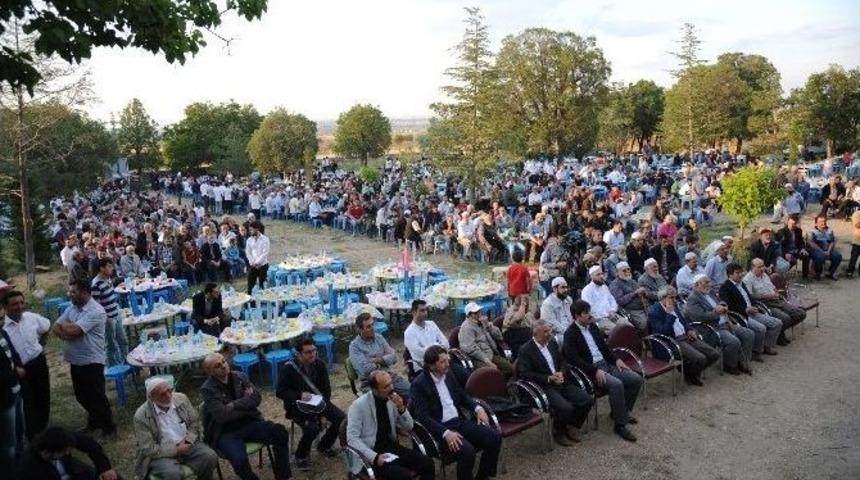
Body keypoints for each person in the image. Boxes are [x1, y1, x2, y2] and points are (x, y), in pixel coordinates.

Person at [409, 346, 502, 480]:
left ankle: (483, 476)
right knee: (467, 452)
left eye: (447, 360)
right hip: (440, 429)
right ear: (431, 366)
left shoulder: (448, 374)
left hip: (458, 422)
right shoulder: (419, 384)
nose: (448, 364)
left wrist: (478, 409)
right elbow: (423, 417)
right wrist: (445, 433)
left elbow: (462, 396)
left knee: (494, 437)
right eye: (442, 362)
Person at [201, 352, 292, 480]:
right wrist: (246, 404)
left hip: (250, 423)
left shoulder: (240, 376)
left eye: (223, 361)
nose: (223, 365)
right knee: (239, 460)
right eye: (217, 365)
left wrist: (233, 405)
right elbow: (222, 415)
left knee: (280, 432)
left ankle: (283, 476)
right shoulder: (207, 389)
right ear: (209, 371)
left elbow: (257, 398)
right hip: (226, 432)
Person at [563, 300, 641, 442]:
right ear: (577, 316)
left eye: (589, 312)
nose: (590, 315)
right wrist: (594, 370)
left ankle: (621, 412)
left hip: (607, 364)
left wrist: (616, 359)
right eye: (586, 313)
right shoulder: (570, 334)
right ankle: (620, 425)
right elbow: (574, 359)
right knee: (616, 384)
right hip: (590, 371)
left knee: (635, 379)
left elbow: (605, 348)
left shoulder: (592, 327)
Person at [51, 279, 116, 436]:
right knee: (81, 395)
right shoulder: (72, 307)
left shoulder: (96, 310)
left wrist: (68, 328)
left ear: (85, 292)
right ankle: (93, 422)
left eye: (74, 291)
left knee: (97, 397)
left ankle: (109, 428)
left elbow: (74, 330)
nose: (70, 294)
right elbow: (55, 327)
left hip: (91, 360)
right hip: (76, 359)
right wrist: (67, 331)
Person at [345, 370, 434, 480]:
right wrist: (374, 457)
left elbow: (409, 427)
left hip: (389, 446)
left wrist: (402, 409)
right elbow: (351, 438)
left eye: (391, 383)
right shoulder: (359, 406)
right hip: (369, 453)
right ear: (375, 390)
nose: (391, 388)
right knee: (403, 476)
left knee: (428, 463)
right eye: (386, 386)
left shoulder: (392, 399)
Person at [516, 321, 593, 446]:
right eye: (545, 332)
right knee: (566, 408)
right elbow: (525, 374)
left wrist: (561, 373)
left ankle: (571, 425)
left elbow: (562, 361)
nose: (549, 334)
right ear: (535, 334)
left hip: (560, 381)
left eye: (549, 331)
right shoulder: (526, 350)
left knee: (587, 399)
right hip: (544, 386)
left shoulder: (552, 343)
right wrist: (549, 378)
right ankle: (559, 432)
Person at [276, 338, 344, 469]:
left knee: (342, 419)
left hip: (320, 403)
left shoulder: (320, 364)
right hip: (297, 407)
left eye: (314, 350)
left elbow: (326, 390)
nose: (312, 354)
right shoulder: (289, 369)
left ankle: (324, 445)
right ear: (299, 354)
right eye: (307, 352)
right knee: (312, 428)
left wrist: (323, 413)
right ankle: (300, 455)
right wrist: (299, 395)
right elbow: (280, 392)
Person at [134, 377, 218, 480]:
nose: (169, 396)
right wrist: (176, 450)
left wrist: (188, 441)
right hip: (161, 454)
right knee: (172, 474)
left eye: (169, 390)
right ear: (152, 398)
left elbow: (194, 422)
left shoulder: (181, 398)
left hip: (187, 444)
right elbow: (148, 448)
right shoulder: (141, 416)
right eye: (162, 394)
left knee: (210, 456)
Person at [647, 286, 719, 386]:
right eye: (671, 297)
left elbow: (683, 321)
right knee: (700, 358)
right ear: (663, 298)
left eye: (675, 297)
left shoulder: (674, 305)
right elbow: (662, 332)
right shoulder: (654, 311)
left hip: (685, 336)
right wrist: (668, 314)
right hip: (673, 340)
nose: (674, 300)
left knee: (714, 354)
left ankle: (689, 372)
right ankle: (690, 376)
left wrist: (689, 330)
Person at [2, 290, 51, 439]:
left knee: (43, 396)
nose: (19, 306)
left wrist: (41, 345)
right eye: (14, 304)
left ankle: (42, 427)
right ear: (5, 307)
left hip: (38, 363)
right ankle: (32, 434)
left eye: (21, 302)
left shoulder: (31, 318)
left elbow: (47, 327)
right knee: (28, 401)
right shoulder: (3, 328)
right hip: (21, 369)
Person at [683, 274, 753, 375]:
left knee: (748, 334)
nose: (709, 284)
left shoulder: (710, 292)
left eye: (709, 282)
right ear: (697, 284)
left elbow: (721, 301)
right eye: (706, 282)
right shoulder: (693, 298)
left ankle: (742, 361)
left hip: (726, 322)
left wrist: (723, 305)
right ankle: (729, 365)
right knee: (733, 341)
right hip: (712, 328)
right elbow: (699, 317)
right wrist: (716, 312)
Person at [719, 263, 783, 360]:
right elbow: (729, 306)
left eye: (741, 272)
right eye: (737, 273)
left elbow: (749, 297)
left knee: (777, 323)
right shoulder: (725, 287)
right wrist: (745, 309)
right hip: (741, 315)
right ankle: (756, 352)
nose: (740, 275)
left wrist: (754, 305)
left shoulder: (741, 283)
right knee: (761, 328)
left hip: (752, 311)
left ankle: (766, 346)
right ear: (730, 275)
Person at [16, 426, 120, 480]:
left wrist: (105, 468)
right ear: (49, 451)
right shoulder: (29, 468)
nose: (68, 453)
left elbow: (90, 444)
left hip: (77, 474)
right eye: (64, 451)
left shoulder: (62, 437)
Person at [404, 300, 469, 384]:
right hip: (426, 367)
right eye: (422, 310)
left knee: (465, 376)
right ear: (413, 312)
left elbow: (446, 343)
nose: (425, 313)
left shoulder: (432, 324)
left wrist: (432, 347)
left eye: (426, 310)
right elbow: (420, 353)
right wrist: (437, 346)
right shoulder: (409, 332)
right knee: (452, 382)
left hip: (444, 361)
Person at [743, 259, 805, 345]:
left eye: (763, 265)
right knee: (785, 318)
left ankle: (780, 332)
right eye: (759, 267)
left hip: (777, 300)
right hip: (765, 304)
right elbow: (750, 296)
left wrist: (776, 292)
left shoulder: (764, 275)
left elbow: (772, 287)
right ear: (753, 267)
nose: (762, 268)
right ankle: (779, 335)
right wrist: (766, 296)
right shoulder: (748, 279)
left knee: (800, 313)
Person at [349, 313, 411, 397]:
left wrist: (376, 360)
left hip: (389, 377)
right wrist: (384, 361)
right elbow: (364, 370)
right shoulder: (354, 346)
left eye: (372, 325)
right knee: (386, 402)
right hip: (371, 383)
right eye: (368, 327)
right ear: (360, 329)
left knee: (412, 392)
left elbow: (394, 357)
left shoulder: (379, 338)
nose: (372, 328)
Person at [90, 258, 128, 367]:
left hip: (116, 314)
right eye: (109, 266)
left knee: (123, 340)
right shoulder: (96, 284)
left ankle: (126, 362)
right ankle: (113, 366)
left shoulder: (108, 279)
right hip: (108, 319)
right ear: (102, 268)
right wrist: (105, 319)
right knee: (111, 344)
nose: (112, 269)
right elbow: (96, 306)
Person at [458, 302, 513, 377]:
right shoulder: (466, 328)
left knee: (510, 368)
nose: (479, 314)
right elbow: (470, 348)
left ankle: (501, 381)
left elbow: (499, 337)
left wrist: (489, 326)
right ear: (469, 315)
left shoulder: (482, 322)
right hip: (477, 358)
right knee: (492, 372)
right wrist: (487, 361)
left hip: (491, 353)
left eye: (479, 311)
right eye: (475, 313)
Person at [1, 319, 25, 477]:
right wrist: (15, 373)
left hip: (16, 391)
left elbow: (14, 354)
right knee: (8, 445)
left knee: (20, 434)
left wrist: (19, 365)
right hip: (3, 400)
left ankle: (22, 469)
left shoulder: (2, 332)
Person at [580, 266, 627, 334]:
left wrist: (612, 311)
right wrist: (607, 314)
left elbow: (612, 301)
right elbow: (589, 310)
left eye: (602, 274)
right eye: (598, 274)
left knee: (628, 326)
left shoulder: (604, 287)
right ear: (591, 277)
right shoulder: (586, 291)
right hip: (600, 320)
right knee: (618, 332)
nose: (601, 276)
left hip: (613, 315)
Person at [609, 262, 649, 333]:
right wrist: (634, 293)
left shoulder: (632, 281)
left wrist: (644, 292)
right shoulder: (615, 284)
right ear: (618, 273)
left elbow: (641, 292)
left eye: (628, 269)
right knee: (644, 323)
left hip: (644, 307)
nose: (627, 272)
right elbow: (619, 301)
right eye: (624, 270)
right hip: (631, 310)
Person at [501, 294, 538, 360]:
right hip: (512, 336)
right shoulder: (512, 310)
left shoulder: (528, 314)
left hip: (525, 337)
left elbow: (534, 326)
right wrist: (523, 304)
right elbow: (518, 318)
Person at [807, 215, 842, 280]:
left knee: (838, 256)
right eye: (821, 222)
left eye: (824, 221)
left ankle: (830, 273)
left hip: (828, 249)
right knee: (820, 257)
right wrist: (822, 251)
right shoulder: (812, 231)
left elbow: (832, 242)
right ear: (816, 223)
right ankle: (818, 273)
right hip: (817, 250)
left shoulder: (829, 230)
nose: (823, 223)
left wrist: (828, 251)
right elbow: (812, 243)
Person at [775, 215, 810, 279]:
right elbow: (780, 245)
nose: (792, 225)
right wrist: (786, 253)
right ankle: (781, 273)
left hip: (796, 250)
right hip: (786, 251)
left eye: (794, 224)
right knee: (792, 260)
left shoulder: (799, 231)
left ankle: (805, 276)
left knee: (806, 255)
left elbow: (801, 242)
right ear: (787, 222)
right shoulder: (781, 232)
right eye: (791, 223)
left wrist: (802, 249)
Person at [540, 277, 573, 343]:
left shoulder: (568, 299)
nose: (566, 290)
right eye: (563, 287)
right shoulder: (547, 303)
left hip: (570, 331)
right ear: (555, 289)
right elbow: (552, 324)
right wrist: (568, 332)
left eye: (566, 287)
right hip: (557, 335)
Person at [245, 222, 270, 294]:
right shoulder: (249, 240)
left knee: (263, 285)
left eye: (251, 230)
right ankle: (250, 300)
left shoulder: (265, 239)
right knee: (250, 284)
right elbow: (248, 252)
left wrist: (257, 263)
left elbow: (265, 253)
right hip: (253, 265)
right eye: (249, 230)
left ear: (257, 229)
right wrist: (252, 263)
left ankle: (264, 300)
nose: (250, 231)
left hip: (263, 265)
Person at [847, 209, 860, 278]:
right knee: (854, 258)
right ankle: (850, 272)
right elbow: (857, 225)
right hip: (857, 241)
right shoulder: (856, 214)